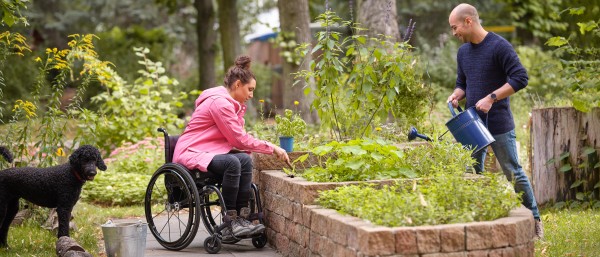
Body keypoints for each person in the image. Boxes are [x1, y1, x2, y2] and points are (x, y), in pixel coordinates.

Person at [446, 3, 543, 239]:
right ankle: (478, 224)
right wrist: (458, 93)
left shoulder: (499, 46)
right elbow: (463, 82)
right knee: (471, 173)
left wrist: (492, 98)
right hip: (472, 125)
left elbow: (521, 78)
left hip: (499, 123)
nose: (453, 32)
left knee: (513, 172)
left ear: (468, 21)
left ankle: (534, 221)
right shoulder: (463, 52)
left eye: (454, 27)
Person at [173, 55, 290, 239]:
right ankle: (230, 221)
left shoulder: (231, 104)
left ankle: (242, 218)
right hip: (192, 151)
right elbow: (238, 139)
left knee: (243, 159)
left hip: (209, 151)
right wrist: (271, 147)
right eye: (249, 89)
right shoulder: (220, 103)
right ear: (237, 85)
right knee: (232, 163)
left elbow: (239, 139)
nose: (251, 95)